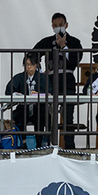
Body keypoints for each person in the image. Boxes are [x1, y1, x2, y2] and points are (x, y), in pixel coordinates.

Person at [31, 13, 83, 149]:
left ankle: (69, 148)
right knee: (46, 115)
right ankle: (44, 145)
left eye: (60, 25)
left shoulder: (75, 42)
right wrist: (38, 70)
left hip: (67, 82)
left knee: (68, 117)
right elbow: (32, 55)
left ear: (66, 25)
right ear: (51, 26)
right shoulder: (47, 42)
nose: (58, 28)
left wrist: (64, 47)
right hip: (49, 83)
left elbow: (74, 61)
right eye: (55, 25)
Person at [5, 55, 50, 148]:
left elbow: (49, 92)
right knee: (20, 116)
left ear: (36, 65)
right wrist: (17, 94)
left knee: (40, 116)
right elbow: (9, 90)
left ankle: (39, 143)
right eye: (27, 64)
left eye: (31, 64)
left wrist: (38, 93)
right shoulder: (19, 77)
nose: (29, 67)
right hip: (24, 107)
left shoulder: (42, 78)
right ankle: (23, 142)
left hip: (38, 107)